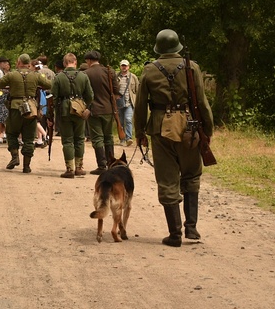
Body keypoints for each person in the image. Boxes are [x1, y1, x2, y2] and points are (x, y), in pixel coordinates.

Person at [134, 29, 214, 247]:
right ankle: (192, 228)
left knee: (167, 180)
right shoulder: (192, 67)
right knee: (191, 175)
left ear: (158, 48)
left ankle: (175, 234)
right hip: (190, 127)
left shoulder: (149, 70)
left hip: (161, 130)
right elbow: (202, 102)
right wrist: (207, 130)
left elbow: (140, 105)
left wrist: (139, 132)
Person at [0, 53, 52, 173]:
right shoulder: (36, 76)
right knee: (29, 138)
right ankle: (27, 165)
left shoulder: (12, 75)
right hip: (31, 109)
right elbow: (49, 85)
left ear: (18, 63)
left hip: (15, 108)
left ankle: (15, 157)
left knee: (11, 133)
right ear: (29, 64)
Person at [50, 53, 94, 178]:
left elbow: (54, 97)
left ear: (64, 63)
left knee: (68, 139)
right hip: (80, 109)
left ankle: (69, 169)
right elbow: (90, 96)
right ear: (75, 62)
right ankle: (79, 168)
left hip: (64, 110)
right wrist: (85, 106)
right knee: (79, 138)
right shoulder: (83, 76)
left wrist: (54, 112)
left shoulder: (59, 77)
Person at [83, 50, 120, 174]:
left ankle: (102, 165)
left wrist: (88, 107)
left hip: (93, 110)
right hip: (109, 109)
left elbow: (85, 94)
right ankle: (111, 164)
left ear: (88, 60)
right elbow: (117, 91)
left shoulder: (86, 74)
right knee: (108, 136)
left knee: (97, 138)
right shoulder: (109, 71)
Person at [116, 59, 139, 147]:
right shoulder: (116, 76)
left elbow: (137, 90)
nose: (124, 67)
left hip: (129, 103)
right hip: (119, 103)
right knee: (120, 121)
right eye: (122, 65)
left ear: (128, 67)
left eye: (125, 66)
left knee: (128, 119)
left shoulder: (133, 77)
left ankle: (129, 138)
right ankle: (122, 139)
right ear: (120, 66)